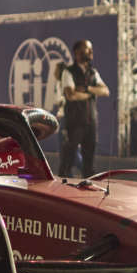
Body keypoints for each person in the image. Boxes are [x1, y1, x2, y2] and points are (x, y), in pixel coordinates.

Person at [55, 40, 108, 175]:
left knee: (89, 164)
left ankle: (88, 191)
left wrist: (86, 88)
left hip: (91, 122)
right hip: (74, 122)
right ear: (77, 53)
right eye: (87, 49)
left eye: (91, 49)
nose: (91, 52)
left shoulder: (93, 72)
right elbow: (71, 95)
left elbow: (105, 91)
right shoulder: (69, 72)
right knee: (68, 161)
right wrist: (91, 94)